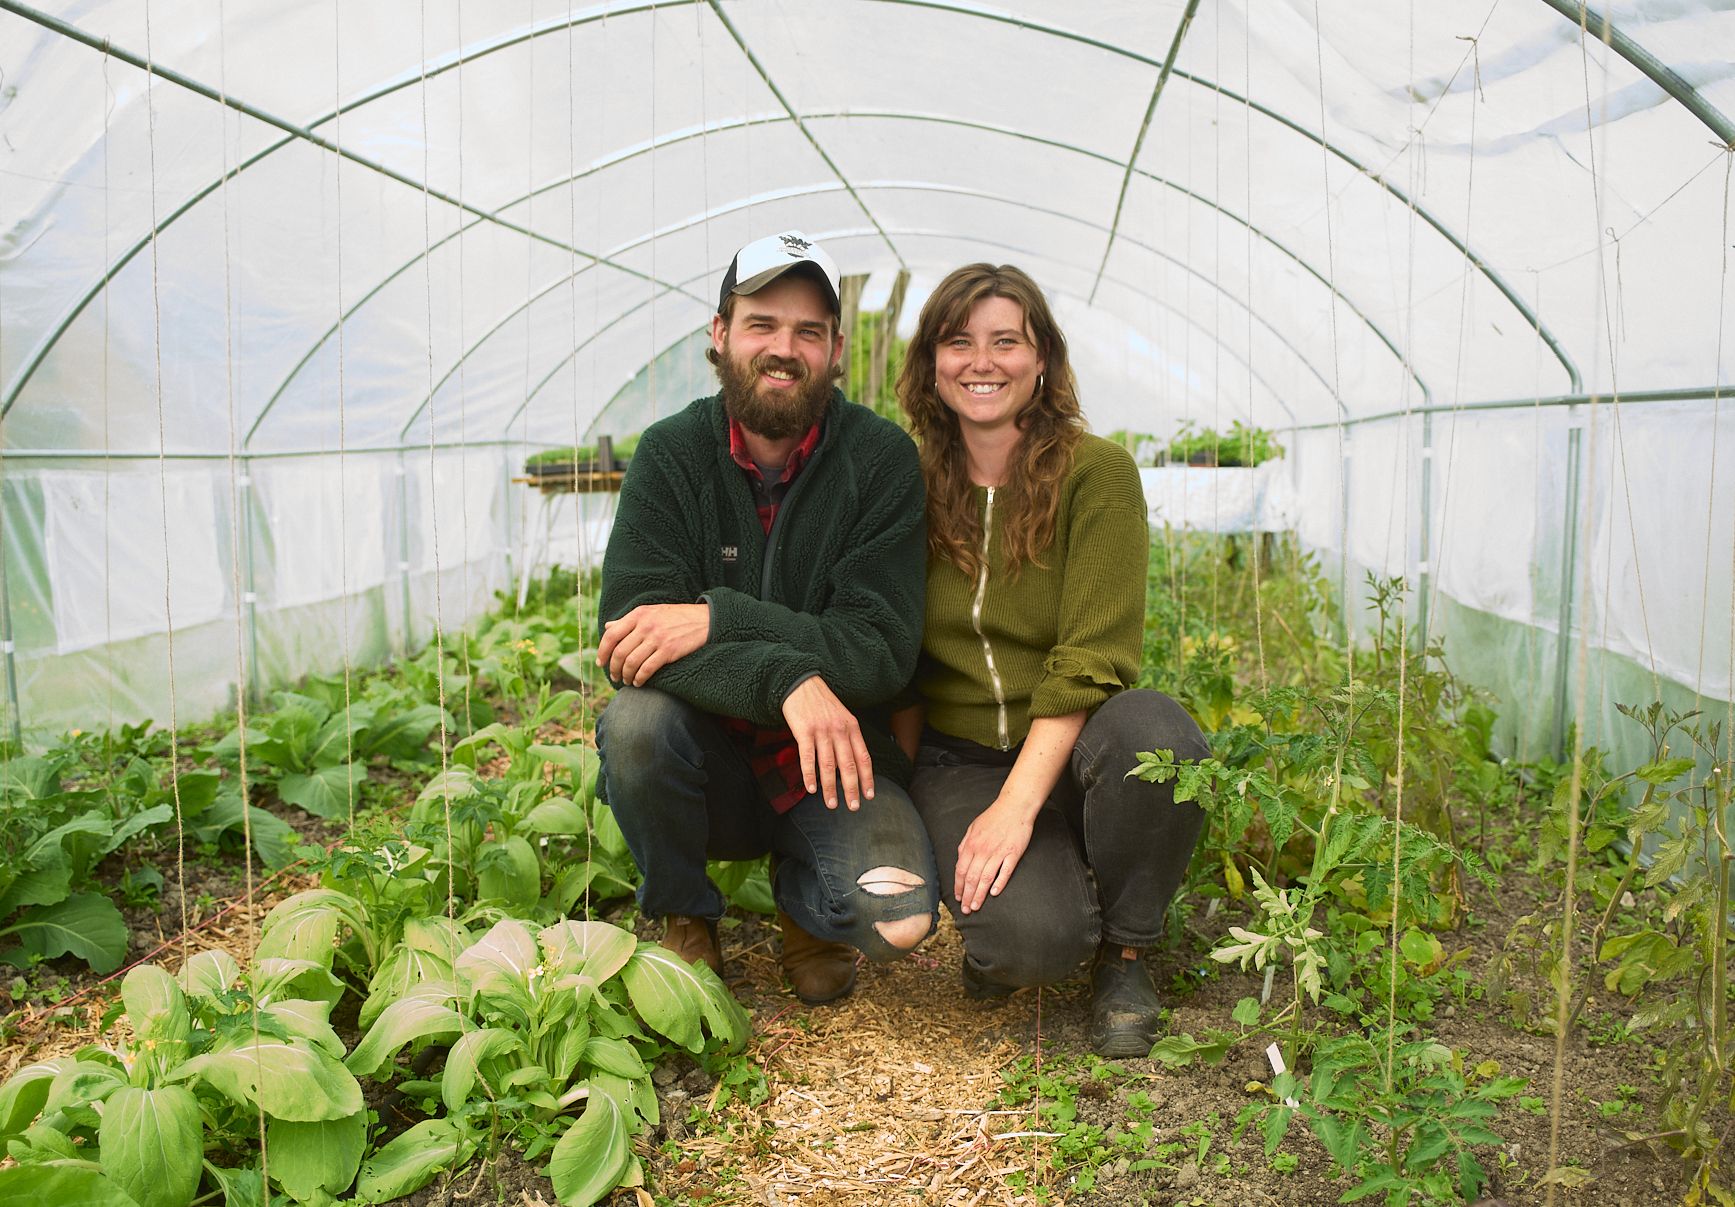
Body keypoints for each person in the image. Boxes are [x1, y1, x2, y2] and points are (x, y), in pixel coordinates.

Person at [594, 230, 939, 1005]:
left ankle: (804, 904)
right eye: (762, 324)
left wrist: (716, 620)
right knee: (637, 724)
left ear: (835, 349)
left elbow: (879, 650)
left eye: (808, 331)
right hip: (707, 758)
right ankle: (686, 912)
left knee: (900, 921)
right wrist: (785, 677)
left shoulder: (879, 460)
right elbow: (629, 636)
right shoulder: (671, 455)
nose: (784, 349)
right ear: (720, 333)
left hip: (835, 760)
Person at [891, 263, 1209, 1056]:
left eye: (1006, 341)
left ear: (1042, 360)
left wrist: (1017, 807)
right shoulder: (906, 480)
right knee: (1032, 942)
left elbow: (1092, 656)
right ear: (931, 361)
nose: (982, 361)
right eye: (958, 341)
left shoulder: (1095, 472)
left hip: (1076, 745)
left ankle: (1126, 953)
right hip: (961, 759)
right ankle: (1041, 909)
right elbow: (888, 646)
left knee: (1158, 738)